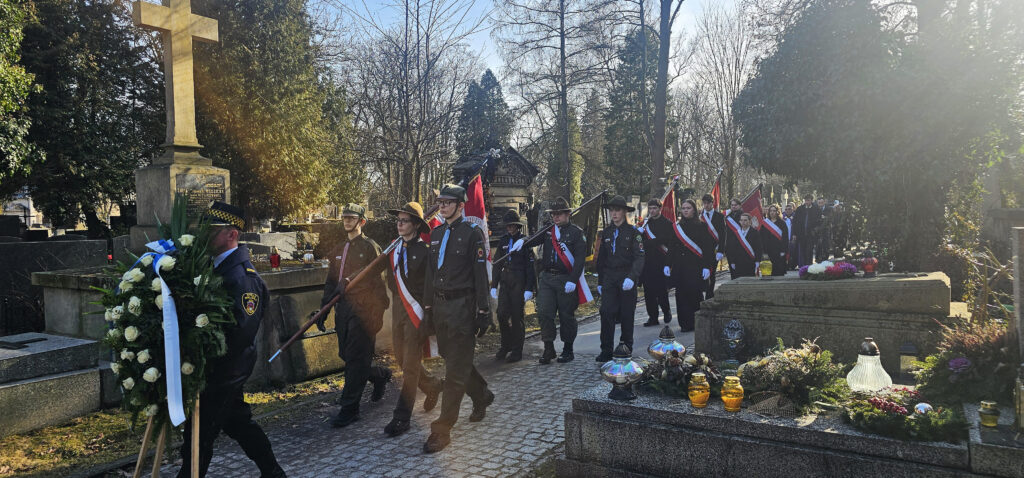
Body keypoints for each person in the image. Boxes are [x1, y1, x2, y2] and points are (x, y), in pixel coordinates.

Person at [179, 202, 285, 478]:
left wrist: (203, 355)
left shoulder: (242, 279)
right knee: (239, 423)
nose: (204, 236)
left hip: (225, 372)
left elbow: (240, 334)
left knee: (199, 437)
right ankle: (273, 472)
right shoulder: (217, 268)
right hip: (216, 371)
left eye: (211, 231)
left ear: (232, 234)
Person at [422, 184, 494, 453]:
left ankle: (442, 429)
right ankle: (482, 394)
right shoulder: (437, 233)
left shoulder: (472, 233)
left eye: (448, 202)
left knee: (453, 371)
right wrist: (428, 309)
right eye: (440, 202)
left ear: (461, 205)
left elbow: (480, 275)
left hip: (463, 307)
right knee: (454, 360)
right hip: (441, 307)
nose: (442, 206)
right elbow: (430, 275)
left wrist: (484, 311)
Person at [372, 202, 443, 438]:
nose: (399, 224)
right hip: (398, 310)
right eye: (398, 220)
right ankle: (433, 385)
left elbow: (431, 287)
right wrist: (350, 280)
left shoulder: (425, 251)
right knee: (402, 360)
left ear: (416, 225)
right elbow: (372, 269)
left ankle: (402, 418)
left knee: (410, 367)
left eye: (404, 221)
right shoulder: (393, 249)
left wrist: (428, 317)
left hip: (416, 312)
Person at [317, 203, 391, 428]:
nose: (347, 221)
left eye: (351, 218)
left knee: (356, 358)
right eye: (345, 218)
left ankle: (350, 408)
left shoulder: (370, 247)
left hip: (365, 309)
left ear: (362, 221)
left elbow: (376, 272)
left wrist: (351, 282)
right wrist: (324, 309)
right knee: (348, 356)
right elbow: (331, 282)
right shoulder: (339, 249)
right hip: (344, 309)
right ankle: (379, 375)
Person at [519, 197, 587, 365]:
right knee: (544, 312)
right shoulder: (549, 230)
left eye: (559, 214)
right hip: (547, 278)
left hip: (565, 279)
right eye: (554, 214)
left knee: (566, 315)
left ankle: (568, 349)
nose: (556, 217)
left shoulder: (576, 233)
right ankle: (548, 347)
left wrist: (573, 280)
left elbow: (580, 260)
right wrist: (523, 241)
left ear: (568, 214)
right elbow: (533, 239)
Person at [595, 195, 645, 362]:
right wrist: (600, 281)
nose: (614, 214)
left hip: (626, 276)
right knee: (606, 312)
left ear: (624, 212)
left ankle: (625, 346)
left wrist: (632, 277)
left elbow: (639, 257)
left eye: (617, 210)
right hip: (610, 277)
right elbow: (601, 259)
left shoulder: (634, 233)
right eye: (611, 211)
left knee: (626, 313)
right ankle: (606, 349)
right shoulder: (607, 232)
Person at [490, 209, 536, 363]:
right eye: (507, 225)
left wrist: (529, 288)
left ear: (517, 226)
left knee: (517, 317)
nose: (509, 228)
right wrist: (494, 285)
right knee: (501, 314)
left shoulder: (524, 242)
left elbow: (530, 267)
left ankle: (517, 350)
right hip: (505, 281)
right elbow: (497, 264)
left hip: (519, 281)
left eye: (512, 225)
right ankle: (506, 345)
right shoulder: (503, 240)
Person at [669, 199, 716, 332]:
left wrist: (706, 266)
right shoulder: (676, 227)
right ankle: (684, 323)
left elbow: (707, 248)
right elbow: (672, 247)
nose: (685, 210)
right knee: (681, 295)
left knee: (695, 295)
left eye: (688, 208)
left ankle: (696, 322)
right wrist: (667, 264)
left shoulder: (702, 226)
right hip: (680, 267)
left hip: (695, 266)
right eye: (683, 208)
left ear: (694, 210)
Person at [639, 198, 673, 327]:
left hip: (661, 261)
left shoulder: (667, 223)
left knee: (661, 290)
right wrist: (639, 234)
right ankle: (652, 317)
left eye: (654, 208)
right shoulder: (645, 223)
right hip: (647, 262)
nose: (652, 211)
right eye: (650, 208)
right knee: (648, 291)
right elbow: (640, 242)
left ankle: (666, 311)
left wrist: (649, 242)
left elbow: (666, 240)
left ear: (660, 209)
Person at [699, 194, 726, 299]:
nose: (706, 205)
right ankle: (701, 293)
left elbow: (723, 234)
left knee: (712, 272)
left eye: (708, 203)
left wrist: (721, 250)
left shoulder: (719, 216)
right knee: (702, 272)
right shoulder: (700, 216)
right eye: (704, 203)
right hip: (702, 249)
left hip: (715, 249)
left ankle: (709, 295)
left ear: (712, 203)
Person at [725, 212, 763, 279]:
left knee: (749, 281)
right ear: (739, 221)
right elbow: (732, 249)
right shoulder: (736, 233)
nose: (743, 222)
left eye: (745, 220)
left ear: (750, 221)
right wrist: (732, 261)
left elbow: (758, 248)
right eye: (741, 220)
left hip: (750, 262)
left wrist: (757, 261)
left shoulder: (755, 233)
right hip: (738, 262)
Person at [760, 204, 789, 276]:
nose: (772, 212)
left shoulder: (782, 223)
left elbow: (785, 238)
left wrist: (783, 250)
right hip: (768, 250)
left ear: (777, 212)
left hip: (778, 250)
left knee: (778, 271)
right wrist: (763, 251)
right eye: (771, 211)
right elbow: (761, 238)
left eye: (774, 211)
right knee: (768, 272)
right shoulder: (764, 223)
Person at [791, 194, 819, 267]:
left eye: (808, 200)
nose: (807, 202)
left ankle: (809, 265)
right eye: (806, 200)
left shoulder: (816, 209)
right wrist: (794, 234)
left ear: (811, 200)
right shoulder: (800, 209)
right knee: (803, 250)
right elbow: (795, 222)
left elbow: (818, 221)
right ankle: (804, 266)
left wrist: (815, 230)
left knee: (809, 250)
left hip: (811, 234)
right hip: (801, 234)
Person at [814, 197, 832, 263]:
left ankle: (825, 257)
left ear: (824, 202)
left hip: (826, 229)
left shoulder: (829, 209)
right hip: (817, 230)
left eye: (822, 202)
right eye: (819, 203)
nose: (820, 204)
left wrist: (825, 218)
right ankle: (818, 258)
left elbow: (831, 218)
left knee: (825, 244)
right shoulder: (815, 209)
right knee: (818, 244)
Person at [783, 202, 797, 270]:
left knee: (792, 252)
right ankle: (785, 265)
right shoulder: (782, 217)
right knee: (785, 252)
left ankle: (792, 265)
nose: (787, 211)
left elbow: (797, 227)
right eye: (786, 209)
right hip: (784, 238)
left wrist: (795, 234)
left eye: (789, 209)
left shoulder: (795, 217)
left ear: (792, 210)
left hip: (792, 237)